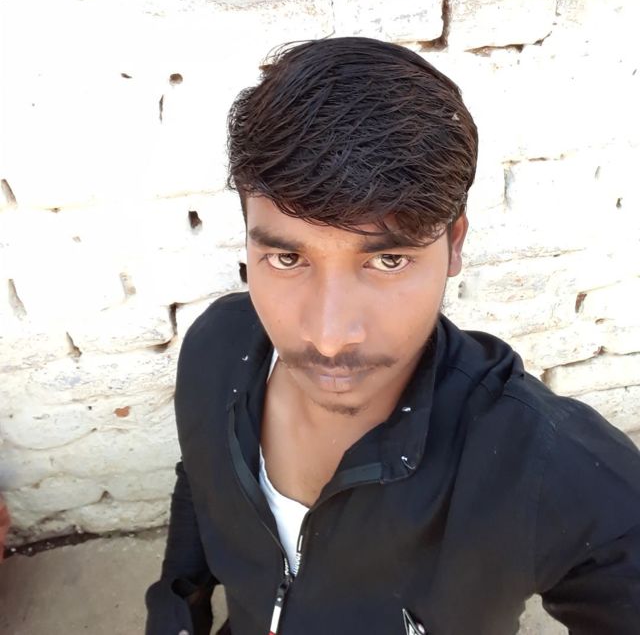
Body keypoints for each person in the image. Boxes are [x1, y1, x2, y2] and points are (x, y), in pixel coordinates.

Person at [145, 37, 640, 635]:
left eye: (388, 261)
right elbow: (202, 479)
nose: (330, 337)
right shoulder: (215, 348)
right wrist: (176, 611)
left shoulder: (541, 465)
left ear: (454, 244)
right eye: (287, 259)